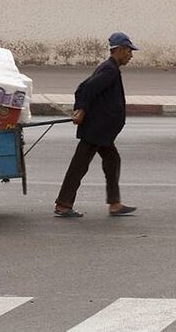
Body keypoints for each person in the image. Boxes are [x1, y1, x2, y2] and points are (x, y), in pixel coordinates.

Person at [54, 32, 139, 218]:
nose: (131, 55)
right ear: (119, 50)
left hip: (102, 129)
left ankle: (115, 204)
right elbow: (88, 88)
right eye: (129, 51)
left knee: (112, 161)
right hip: (97, 129)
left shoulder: (109, 68)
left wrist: (80, 108)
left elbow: (83, 88)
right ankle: (63, 205)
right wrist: (82, 110)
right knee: (79, 165)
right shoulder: (110, 70)